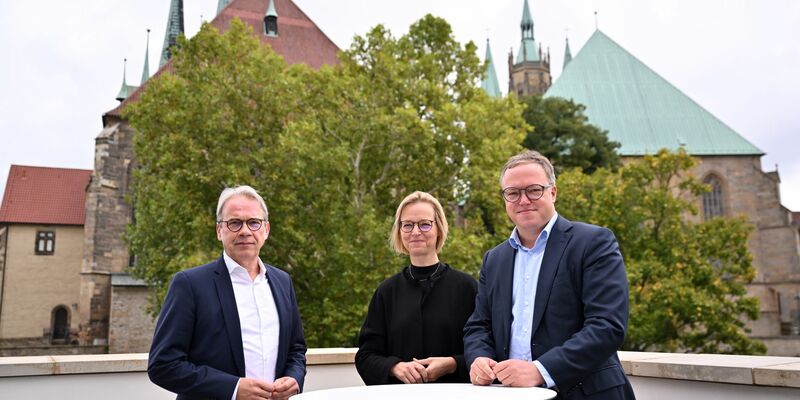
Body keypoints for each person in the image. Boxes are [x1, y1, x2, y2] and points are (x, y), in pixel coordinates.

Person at [463, 151, 635, 399]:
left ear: (553, 192)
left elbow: (607, 326)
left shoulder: (593, 242)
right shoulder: (494, 259)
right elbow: (479, 325)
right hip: (511, 394)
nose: (523, 200)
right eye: (512, 193)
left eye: (533, 190)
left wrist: (540, 371)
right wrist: (479, 358)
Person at [148, 185, 306, 400]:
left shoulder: (282, 282)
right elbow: (163, 364)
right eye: (234, 223)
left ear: (266, 230)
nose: (245, 231)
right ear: (219, 231)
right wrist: (233, 389)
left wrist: (294, 379)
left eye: (253, 222)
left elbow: (296, 349)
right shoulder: (190, 284)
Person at [355, 191, 477, 385]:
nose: (415, 232)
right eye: (408, 225)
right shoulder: (387, 292)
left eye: (424, 224)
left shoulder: (467, 288)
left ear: (439, 228)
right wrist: (394, 367)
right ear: (400, 231)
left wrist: (452, 363)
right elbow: (366, 356)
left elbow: (485, 349)